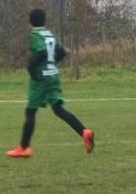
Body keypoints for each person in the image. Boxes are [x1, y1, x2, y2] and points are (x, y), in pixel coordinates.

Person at [6, 8, 94, 158]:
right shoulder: (48, 34)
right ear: (44, 21)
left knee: (30, 111)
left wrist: (31, 68)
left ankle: (24, 148)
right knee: (58, 109)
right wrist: (52, 64)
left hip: (41, 79)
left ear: (30, 22)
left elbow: (41, 52)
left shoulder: (35, 35)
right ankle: (84, 132)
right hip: (53, 75)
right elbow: (61, 51)